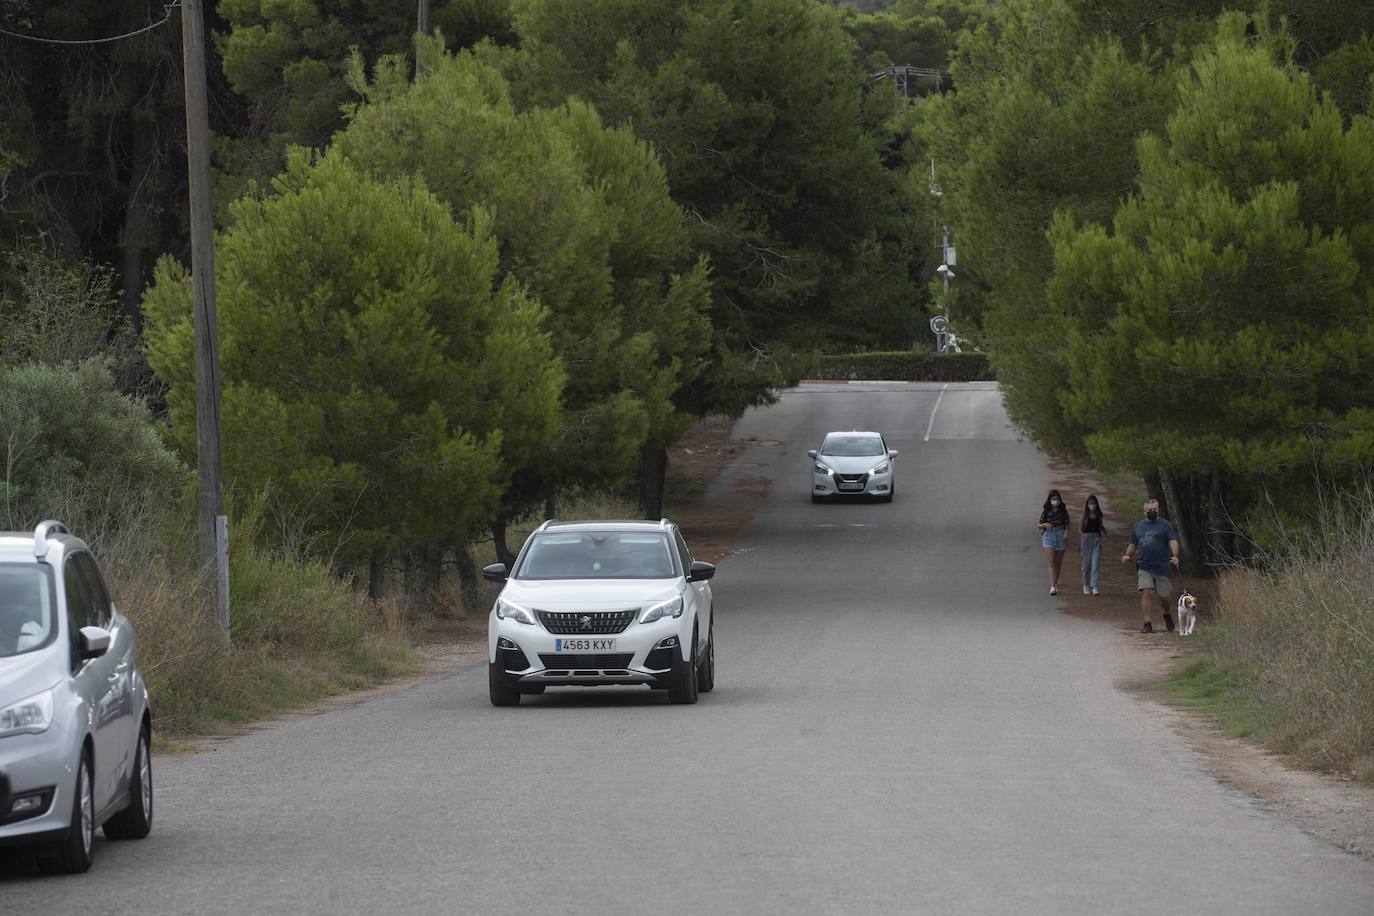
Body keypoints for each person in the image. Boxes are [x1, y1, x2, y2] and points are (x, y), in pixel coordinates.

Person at [1121, 498, 1180, 632]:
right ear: (1145, 511)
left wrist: (1175, 555)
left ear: (1158, 510)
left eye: (1154, 510)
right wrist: (1127, 555)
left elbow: (1173, 541)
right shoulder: (1138, 527)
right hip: (1144, 565)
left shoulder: (1165, 525)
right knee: (1146, 591)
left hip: (1162, 565)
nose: (1152, 512)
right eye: (1149, 510)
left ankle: (1167, 614)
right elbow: (1133, 544)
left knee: (1164, 596)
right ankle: (1147, 622)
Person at [1038, 489, 1070, 595]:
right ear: (1050, 500)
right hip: (1048, 536)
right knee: (1051, 561)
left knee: (1058, 562)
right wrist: (1045, 525)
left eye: (1057, 499)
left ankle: (1055, 583)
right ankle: (1052, 586)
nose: (1055, 501)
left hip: (1060, 535)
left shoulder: (1063, 512)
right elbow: (1039, 524)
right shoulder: (1046, 512)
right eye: (1053, 499)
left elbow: (1067, 524)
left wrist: (1066, 533)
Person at [1080, 495, 1106, 595]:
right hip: (1086, 541)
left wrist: (1105, 535)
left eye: (1094, 503)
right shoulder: (1085, 516)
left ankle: (1094, 586)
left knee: (1095, 564)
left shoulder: (1099, 515)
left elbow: (1100, 527)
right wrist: (1083, 535)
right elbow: (1080, 529)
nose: (1092, 505)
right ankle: (1085, 585)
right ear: (1087, 505)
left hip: (1096, 540)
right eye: (1090, 504)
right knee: (1086, 565)